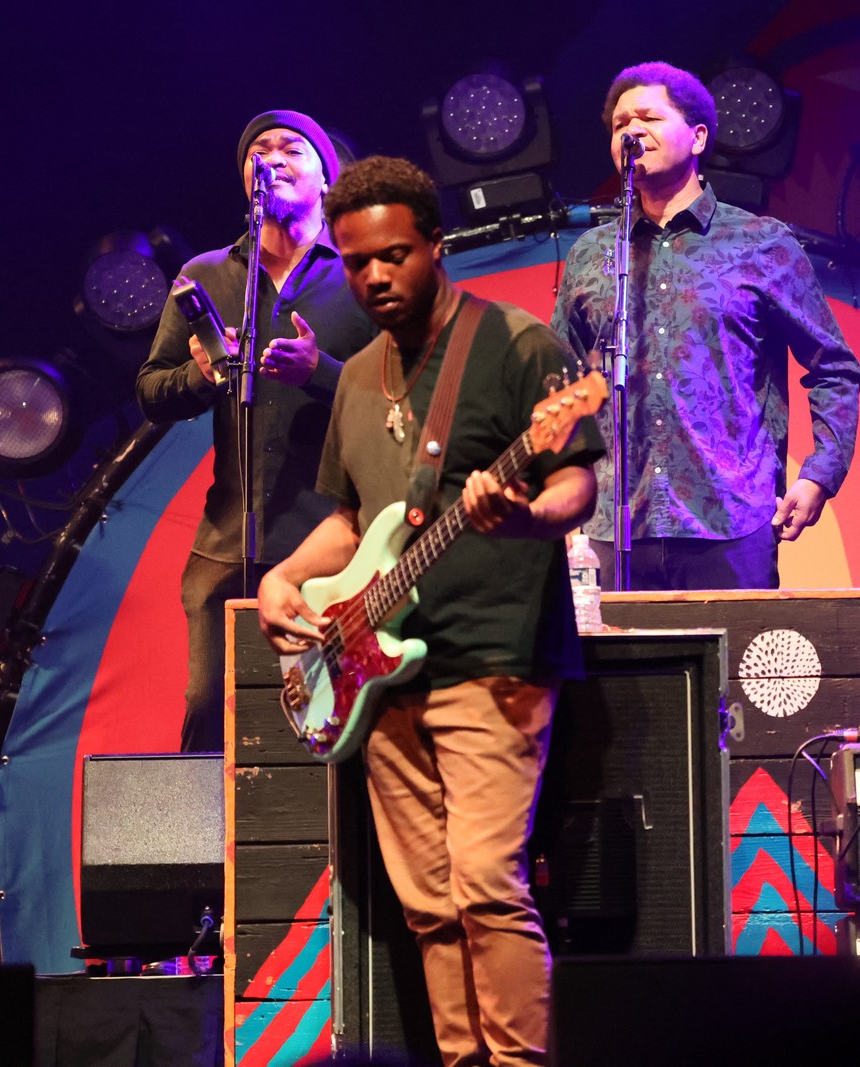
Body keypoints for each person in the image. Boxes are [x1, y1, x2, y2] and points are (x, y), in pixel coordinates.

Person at [257, 156, 602, 1067]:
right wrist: (282, 576)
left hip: (494, 652)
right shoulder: (355, 377)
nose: (375, 276)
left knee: (487, 883)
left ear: (436, 245)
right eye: (357, 261)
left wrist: (524, 515)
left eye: (395, 255)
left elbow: (577, 484)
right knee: (428, 903)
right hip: (378, 673)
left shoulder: (519, 346)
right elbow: (351, 519)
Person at [551, 60, 860, 591]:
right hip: (613, 525)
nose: (631, 131)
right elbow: (558, 381)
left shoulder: (761, 242)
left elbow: (834, 367)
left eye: (648, 117)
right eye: (620, 124)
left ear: (697, 137)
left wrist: (820, 474)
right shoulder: (590, 253)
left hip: (730, 521)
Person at [137, 110, 375, 753]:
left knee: (327, 724)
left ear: (327, 175)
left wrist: (320, 373)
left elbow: (408, 398)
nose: (271, 159)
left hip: (332, 547)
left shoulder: (362, 271)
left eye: (291, 148)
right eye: (258, 151)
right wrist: (199, 374)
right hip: (226, 544)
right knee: (209, 715)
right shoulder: (207, 276)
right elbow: (151, 392)